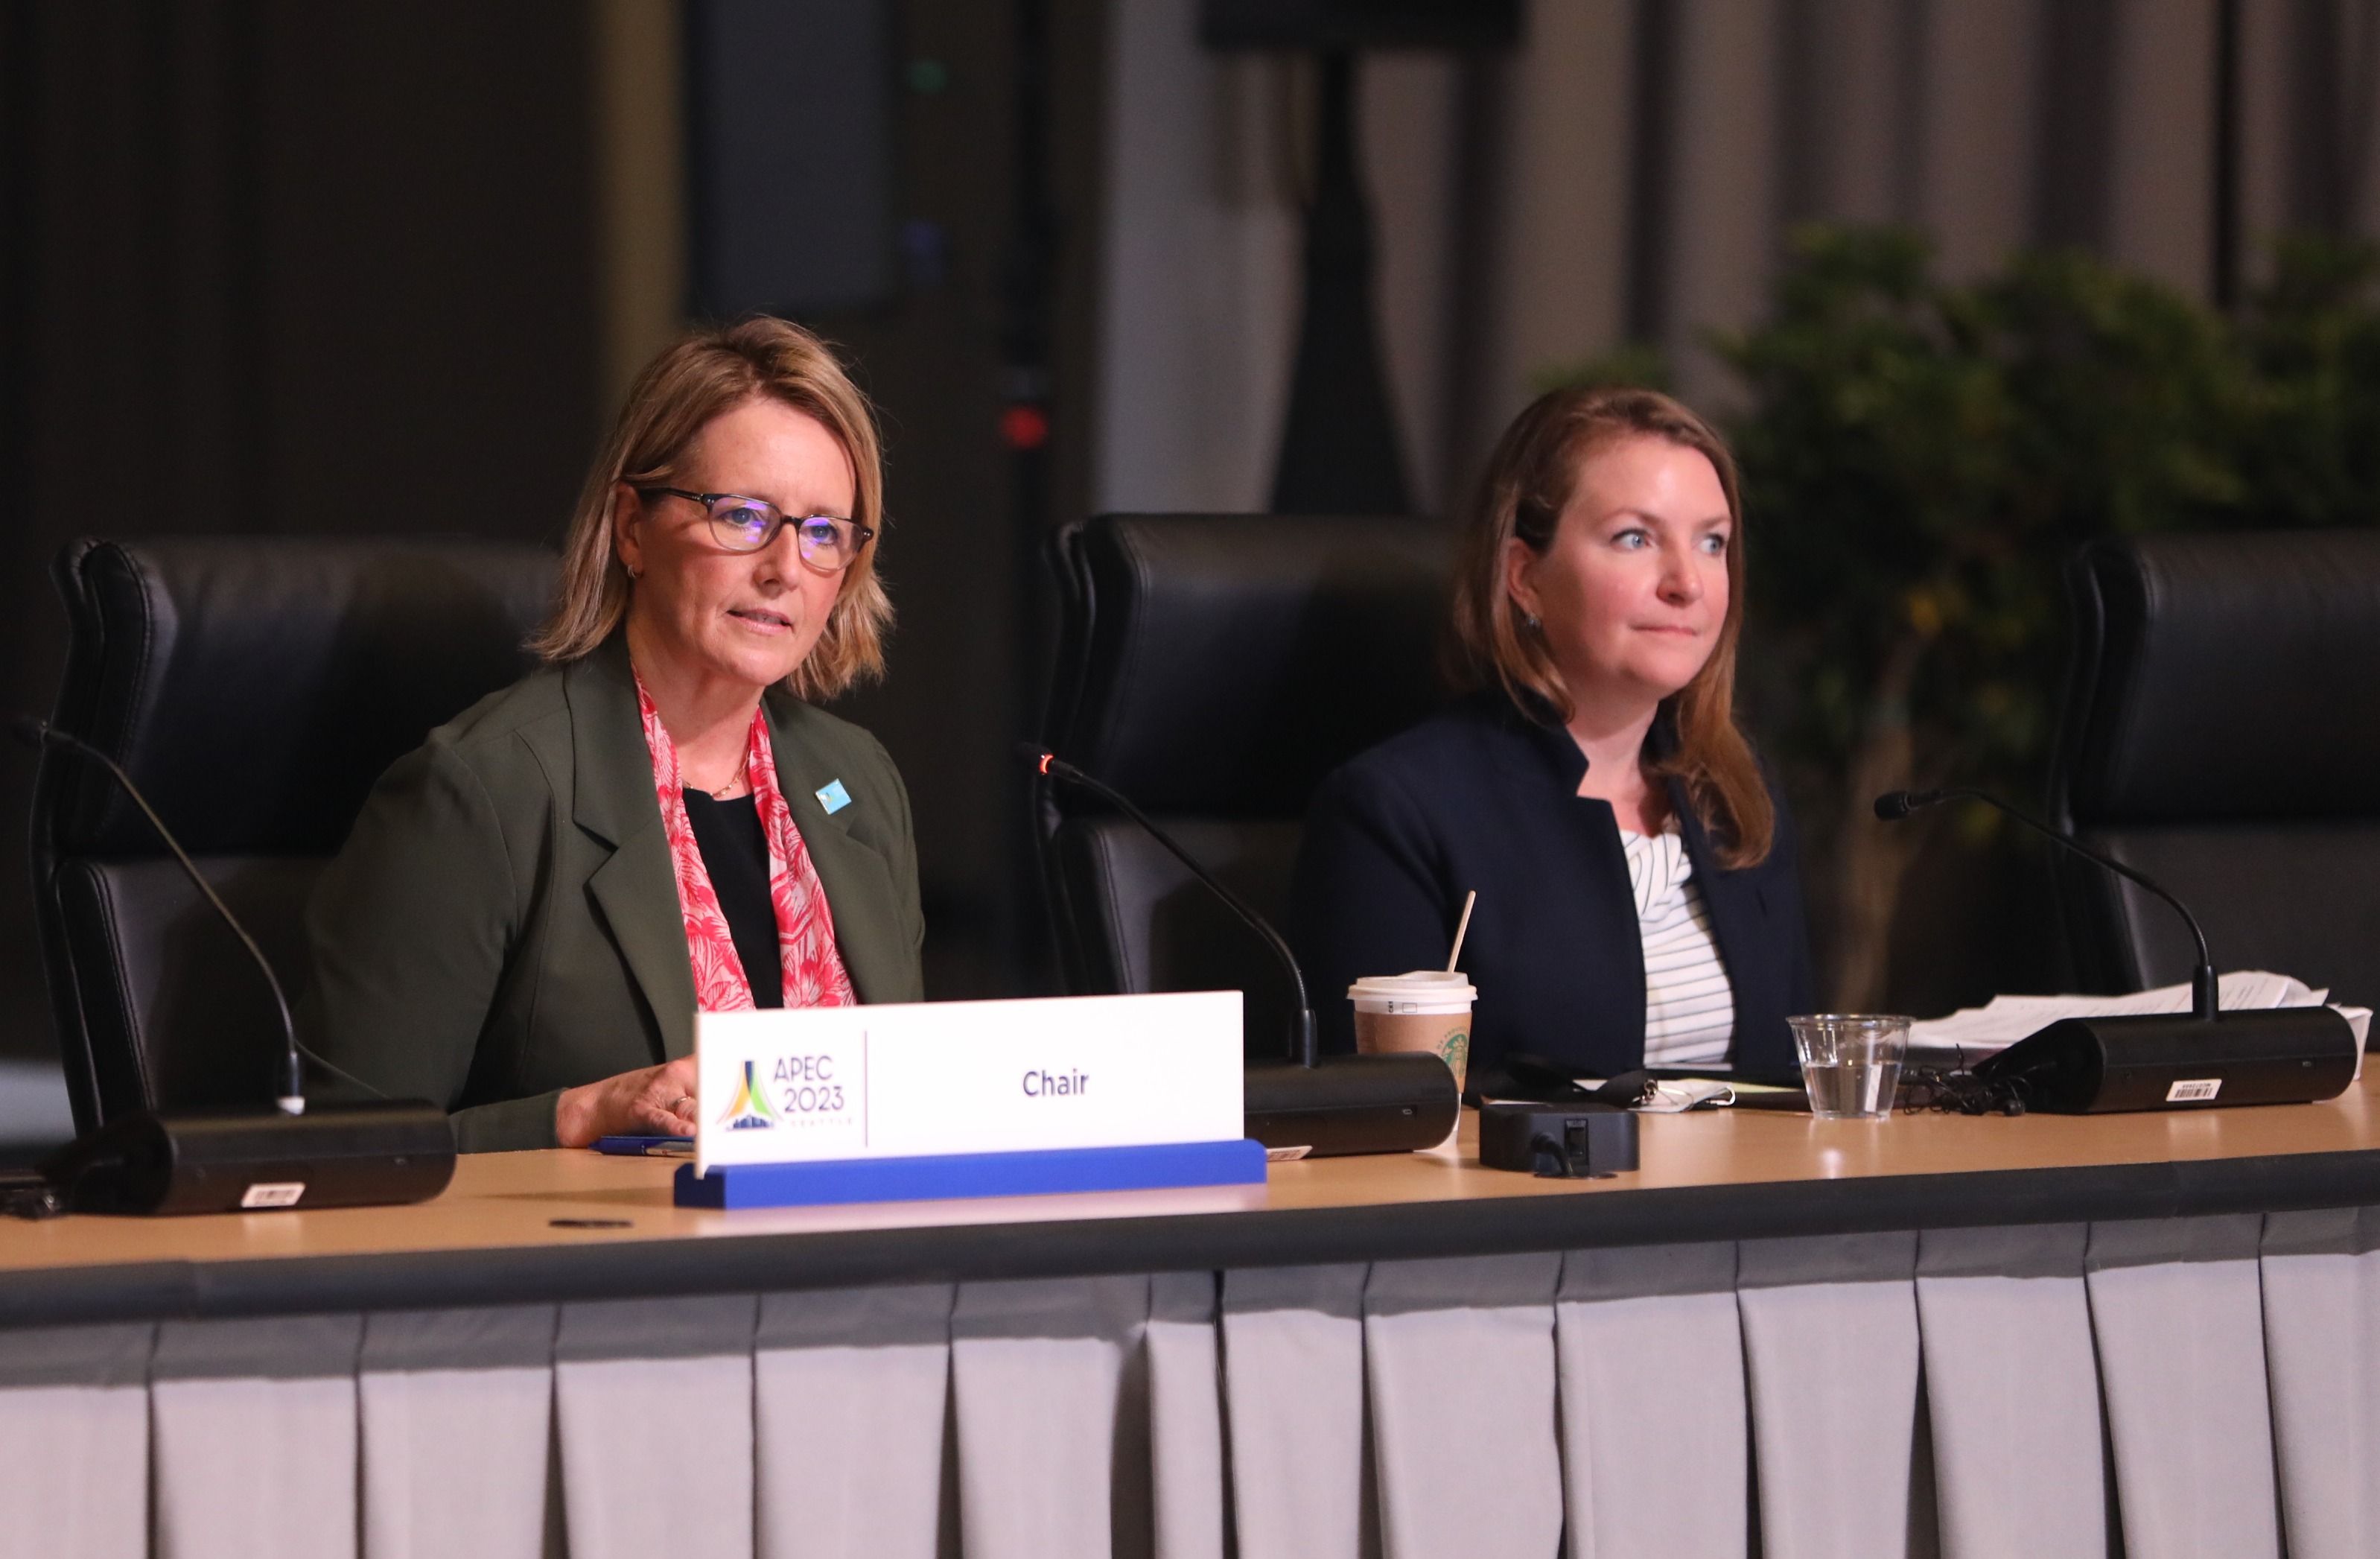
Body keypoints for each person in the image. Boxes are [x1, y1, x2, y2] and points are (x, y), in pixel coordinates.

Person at [304, 318, 923, 1151]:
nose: (784, 569)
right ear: (632, 527)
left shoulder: (857, 779)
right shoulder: (485, 792)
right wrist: (577, 1115)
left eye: (822, 533)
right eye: (743, 516)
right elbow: (344, 1152)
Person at [1288, 386, 1814, 1085]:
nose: (1688, 582)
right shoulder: (1395, 813)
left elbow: (1791, 1078)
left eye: (1712, 541)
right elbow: (1389, 1111)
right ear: (1525, 577)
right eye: (1636, 538)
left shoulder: (1734, 792)